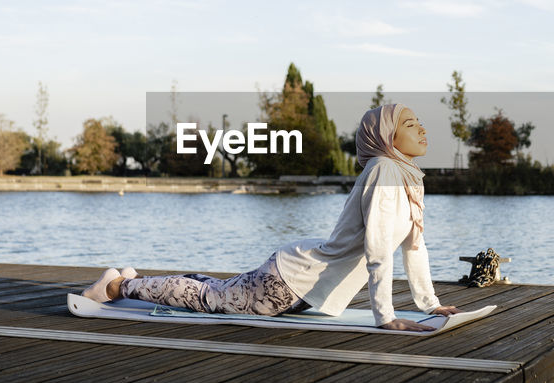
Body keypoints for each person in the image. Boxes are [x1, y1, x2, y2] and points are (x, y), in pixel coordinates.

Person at [82, 103, 460, 331]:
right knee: (211, 298)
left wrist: (429, 304)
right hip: (290, 280)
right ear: (385, 135)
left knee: (218, 290)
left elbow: (414, 245)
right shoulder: (382, 169)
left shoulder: (407, 178)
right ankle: (116, 288)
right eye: (410, 124)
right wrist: (385, 317)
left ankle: (130, 280)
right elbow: (378, 248)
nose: (422, 129)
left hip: (299, 280)